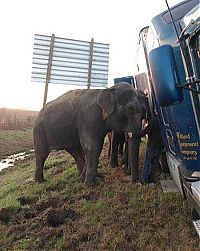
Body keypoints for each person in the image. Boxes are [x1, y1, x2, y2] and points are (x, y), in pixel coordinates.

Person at [140, 114, 164, 185]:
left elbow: (146, 131)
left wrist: (135, 134)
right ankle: (151, 181)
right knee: (154, 164)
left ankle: (144, 180)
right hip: (160, 146)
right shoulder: (164, 120)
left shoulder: (154, 120)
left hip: (152, 145)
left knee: (147, 163)